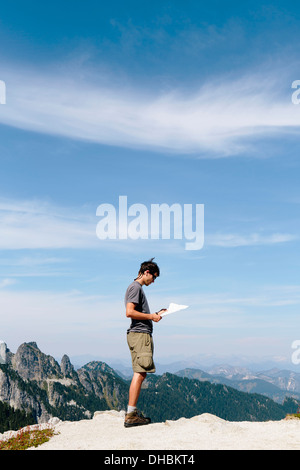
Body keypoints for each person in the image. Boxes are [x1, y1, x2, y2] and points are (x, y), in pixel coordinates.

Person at [124, 258, 166, 427]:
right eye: (153, 277)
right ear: (146, 272)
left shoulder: (136, 288)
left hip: (140, 334)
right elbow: (129, 312)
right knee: (140, 373)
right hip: (140, 335)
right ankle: (131, 415)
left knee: (140, 372)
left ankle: (131, 413)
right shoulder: (135, 288)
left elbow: (136, 312)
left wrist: (156, 313)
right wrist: (151, 316)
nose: (153, 281)